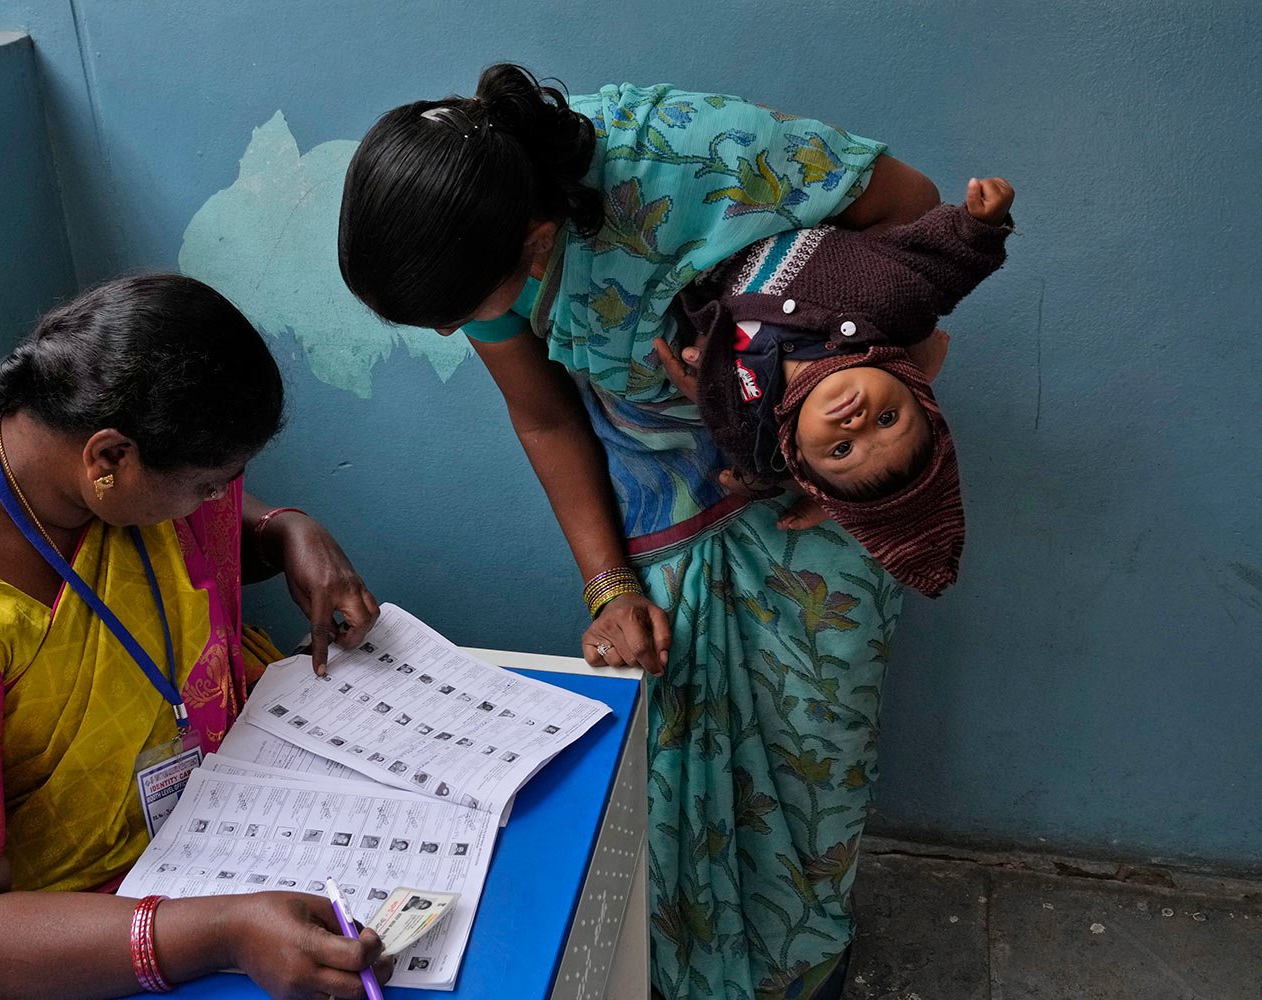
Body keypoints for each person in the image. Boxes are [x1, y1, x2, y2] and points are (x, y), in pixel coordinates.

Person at [339, 64, 947, 999]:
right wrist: (608, 585)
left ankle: (803, 976)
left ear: (538, 240)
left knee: (810, 771)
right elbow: (546, 417)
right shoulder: (472, 233)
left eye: (463, 315)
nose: (463, 330)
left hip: (814, 508)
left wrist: (872, 412)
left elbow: (918, 221)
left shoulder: (702, 155)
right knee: (670, 785)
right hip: (659, 523)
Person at [0, 274, 392, 999]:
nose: (221, 502)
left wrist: (286, 529)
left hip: (189, 841)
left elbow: (202, 528)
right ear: (108, 461)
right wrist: (222, 932)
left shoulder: (73, 454)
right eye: (208, 485)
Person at [661, 177, 1016, 596]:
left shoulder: (749, 421)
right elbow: (941, 267)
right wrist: (981, 224)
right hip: (763, 194)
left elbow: (757, 462)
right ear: (915, 390)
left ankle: (830, 501)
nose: (856, 422)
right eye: (888, 419)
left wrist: (704, 381)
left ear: (798, 453)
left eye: (842, 448)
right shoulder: (889, 302)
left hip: (686, 241)